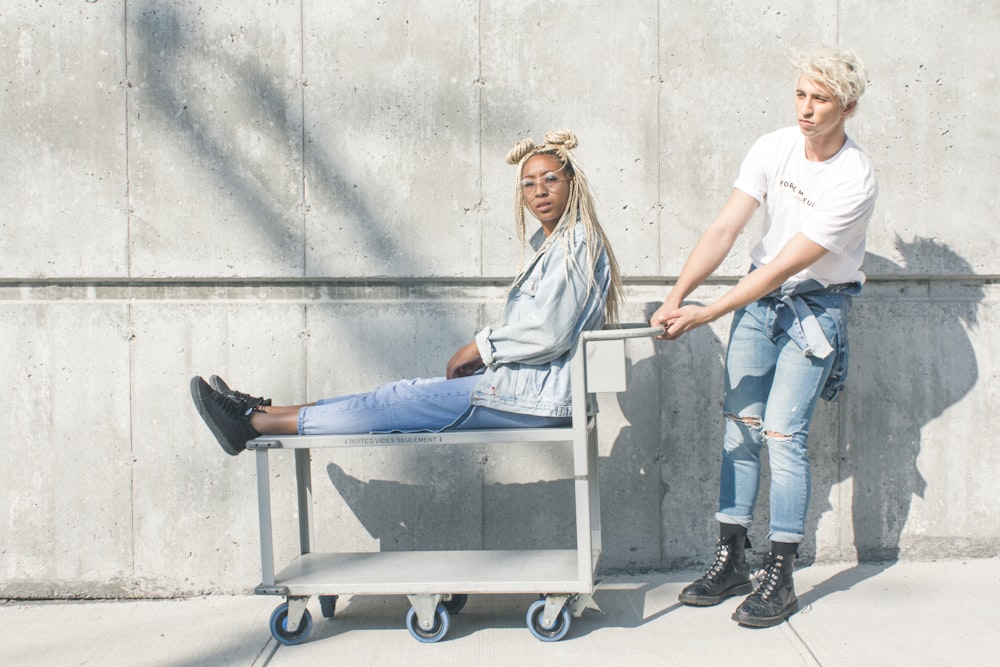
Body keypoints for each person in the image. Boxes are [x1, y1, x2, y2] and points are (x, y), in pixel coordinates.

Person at [192, 129, 623, 456]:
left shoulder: (577, 242)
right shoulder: (554, 245)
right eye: (529, 184)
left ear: (572, 184)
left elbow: (550, 331)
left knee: (398, 399)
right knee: (394, 395)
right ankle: (262, 415)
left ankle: (252, 422)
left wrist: (478, 348)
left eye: (550, 179)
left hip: (534, 400)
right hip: (525, 392)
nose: (539, 191)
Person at [650, 46, 877, 628]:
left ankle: (781, 572)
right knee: (741, 427)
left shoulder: (854, 177)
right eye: (801, 93)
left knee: (782, 432)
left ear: (846, 106)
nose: (806, 108)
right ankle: (731, 557)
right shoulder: (772, 147)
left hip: (814, 310)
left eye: (820, 98)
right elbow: (727, 227)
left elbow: (782, 268)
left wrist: (706, 314)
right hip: (757, 304)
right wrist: (678, 296)